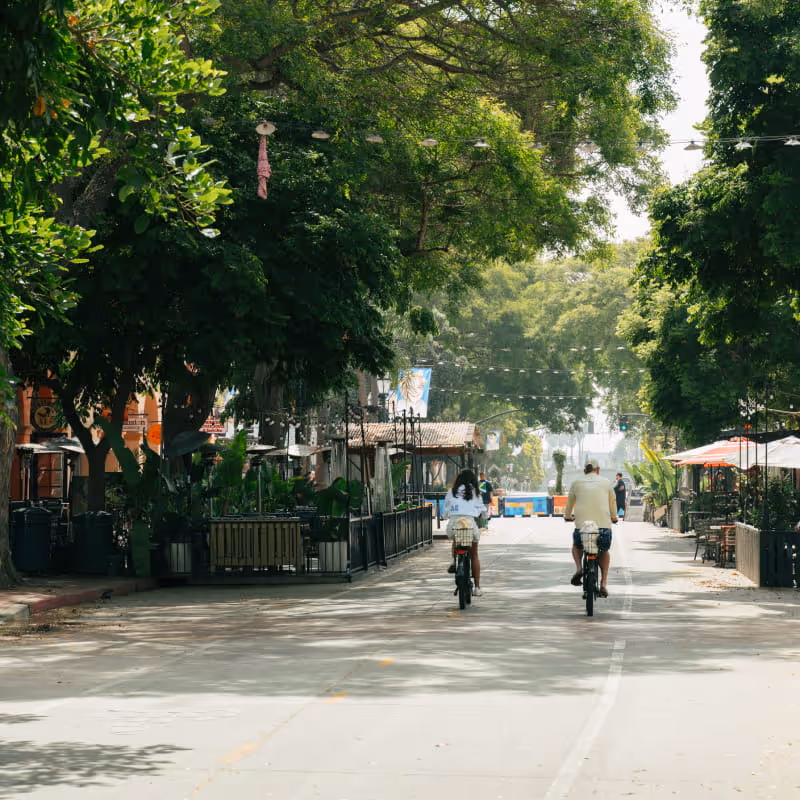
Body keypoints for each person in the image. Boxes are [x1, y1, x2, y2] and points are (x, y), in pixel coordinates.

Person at [564, 459, 618, 597]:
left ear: (584, 470)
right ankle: (604, 583)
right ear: (598, 470)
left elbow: (570, 503)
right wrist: (614, 517)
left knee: (577, 546)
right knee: (604, 551)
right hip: (603, 530)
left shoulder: (576, 483)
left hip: (582, 529)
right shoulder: (606, 482)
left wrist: (567, 516)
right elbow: (612, 503)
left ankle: (579, 568)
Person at [444, 469, 486, 596]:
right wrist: (486, 516)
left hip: (453, 525)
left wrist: (446, 516)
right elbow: (483, 510)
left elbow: (446, 510)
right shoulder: (476, 493)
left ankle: (452, 560)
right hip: (470, 525)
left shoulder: (451, 491)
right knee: (474, 556)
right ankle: (477, 587)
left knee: (457, 537)